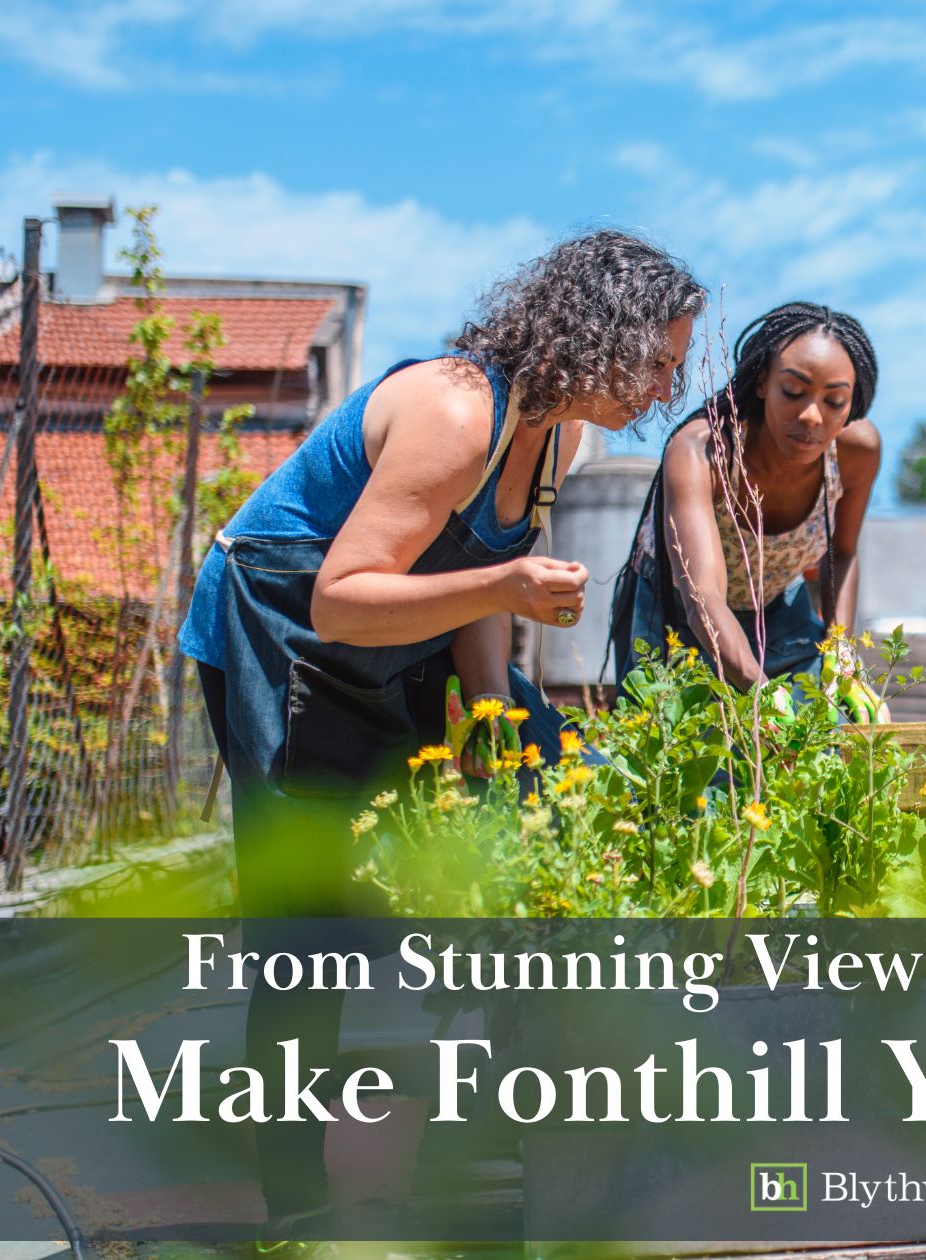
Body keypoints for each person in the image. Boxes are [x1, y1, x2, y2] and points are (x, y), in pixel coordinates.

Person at [176, 229, 705, 1239]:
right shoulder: (457, 413)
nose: (666, 388)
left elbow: (475, 595)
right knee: (308, 939)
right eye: (657, 360)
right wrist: (507, 586)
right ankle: (299, 1208)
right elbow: (341, 599)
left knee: (547, 798)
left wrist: (494, 724)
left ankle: (513, 1130)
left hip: (398, 641)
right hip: (286, 641)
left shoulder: (558, 438)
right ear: (600, 333)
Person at [612, 302, 881, 686]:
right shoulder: (703, 451)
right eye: (793, 391)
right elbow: (703, 596)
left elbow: (843, 552)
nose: (812, 416)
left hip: (775, 604)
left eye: (834, 401)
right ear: (762, 383)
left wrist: (841, 656)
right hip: (675, 608)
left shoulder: (857, 452)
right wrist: (764, 699)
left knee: (829, 716)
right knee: (668, 722)